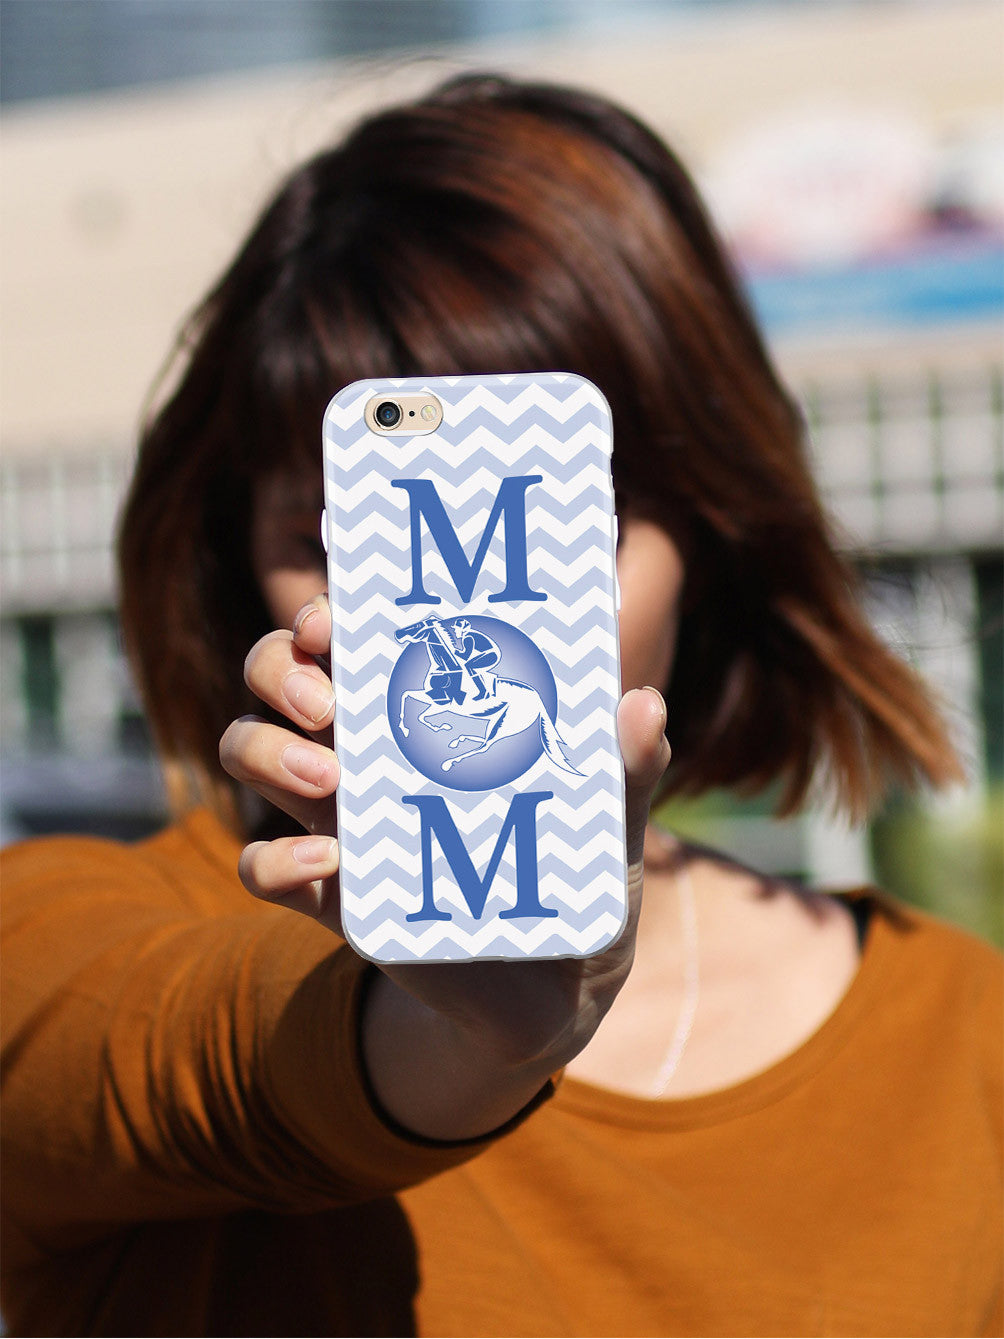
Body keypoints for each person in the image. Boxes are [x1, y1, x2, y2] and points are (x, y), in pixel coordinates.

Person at [2, 73, 1000, 1338]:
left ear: (709, 533)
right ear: (234, 559)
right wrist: (464, 1043)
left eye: (556, 533)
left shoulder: (963, 1041)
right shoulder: (59, 938)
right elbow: (180, 1067)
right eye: (345, 540)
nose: (464, 625)